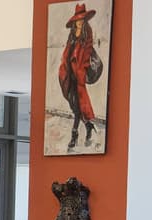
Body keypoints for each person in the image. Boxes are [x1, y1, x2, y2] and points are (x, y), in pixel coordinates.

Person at [58, 3, 98, 150]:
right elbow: (68, 51)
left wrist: (81, 65)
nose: (80, 22)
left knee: (77, 108)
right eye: (78, 20)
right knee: (74, 104)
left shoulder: (87, 33)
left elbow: (87, 52)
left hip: (79, 72)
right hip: (70, 71)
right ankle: (88, 126)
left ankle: (73, 136)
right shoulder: (72, 34)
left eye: (82, 19)